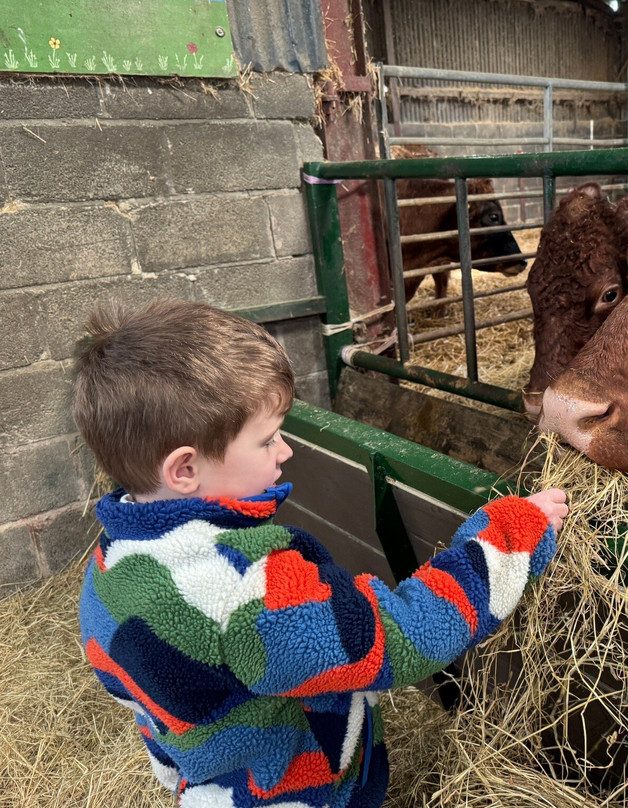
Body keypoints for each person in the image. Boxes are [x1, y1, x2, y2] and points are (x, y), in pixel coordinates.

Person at [73, 299, 568, 808]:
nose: (285, 450)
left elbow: (128, 689)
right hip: (302, 790)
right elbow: (395, 639)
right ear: (184, 470)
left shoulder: (111, 567)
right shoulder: (249, 589)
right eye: (266, 440)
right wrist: (509, 538)